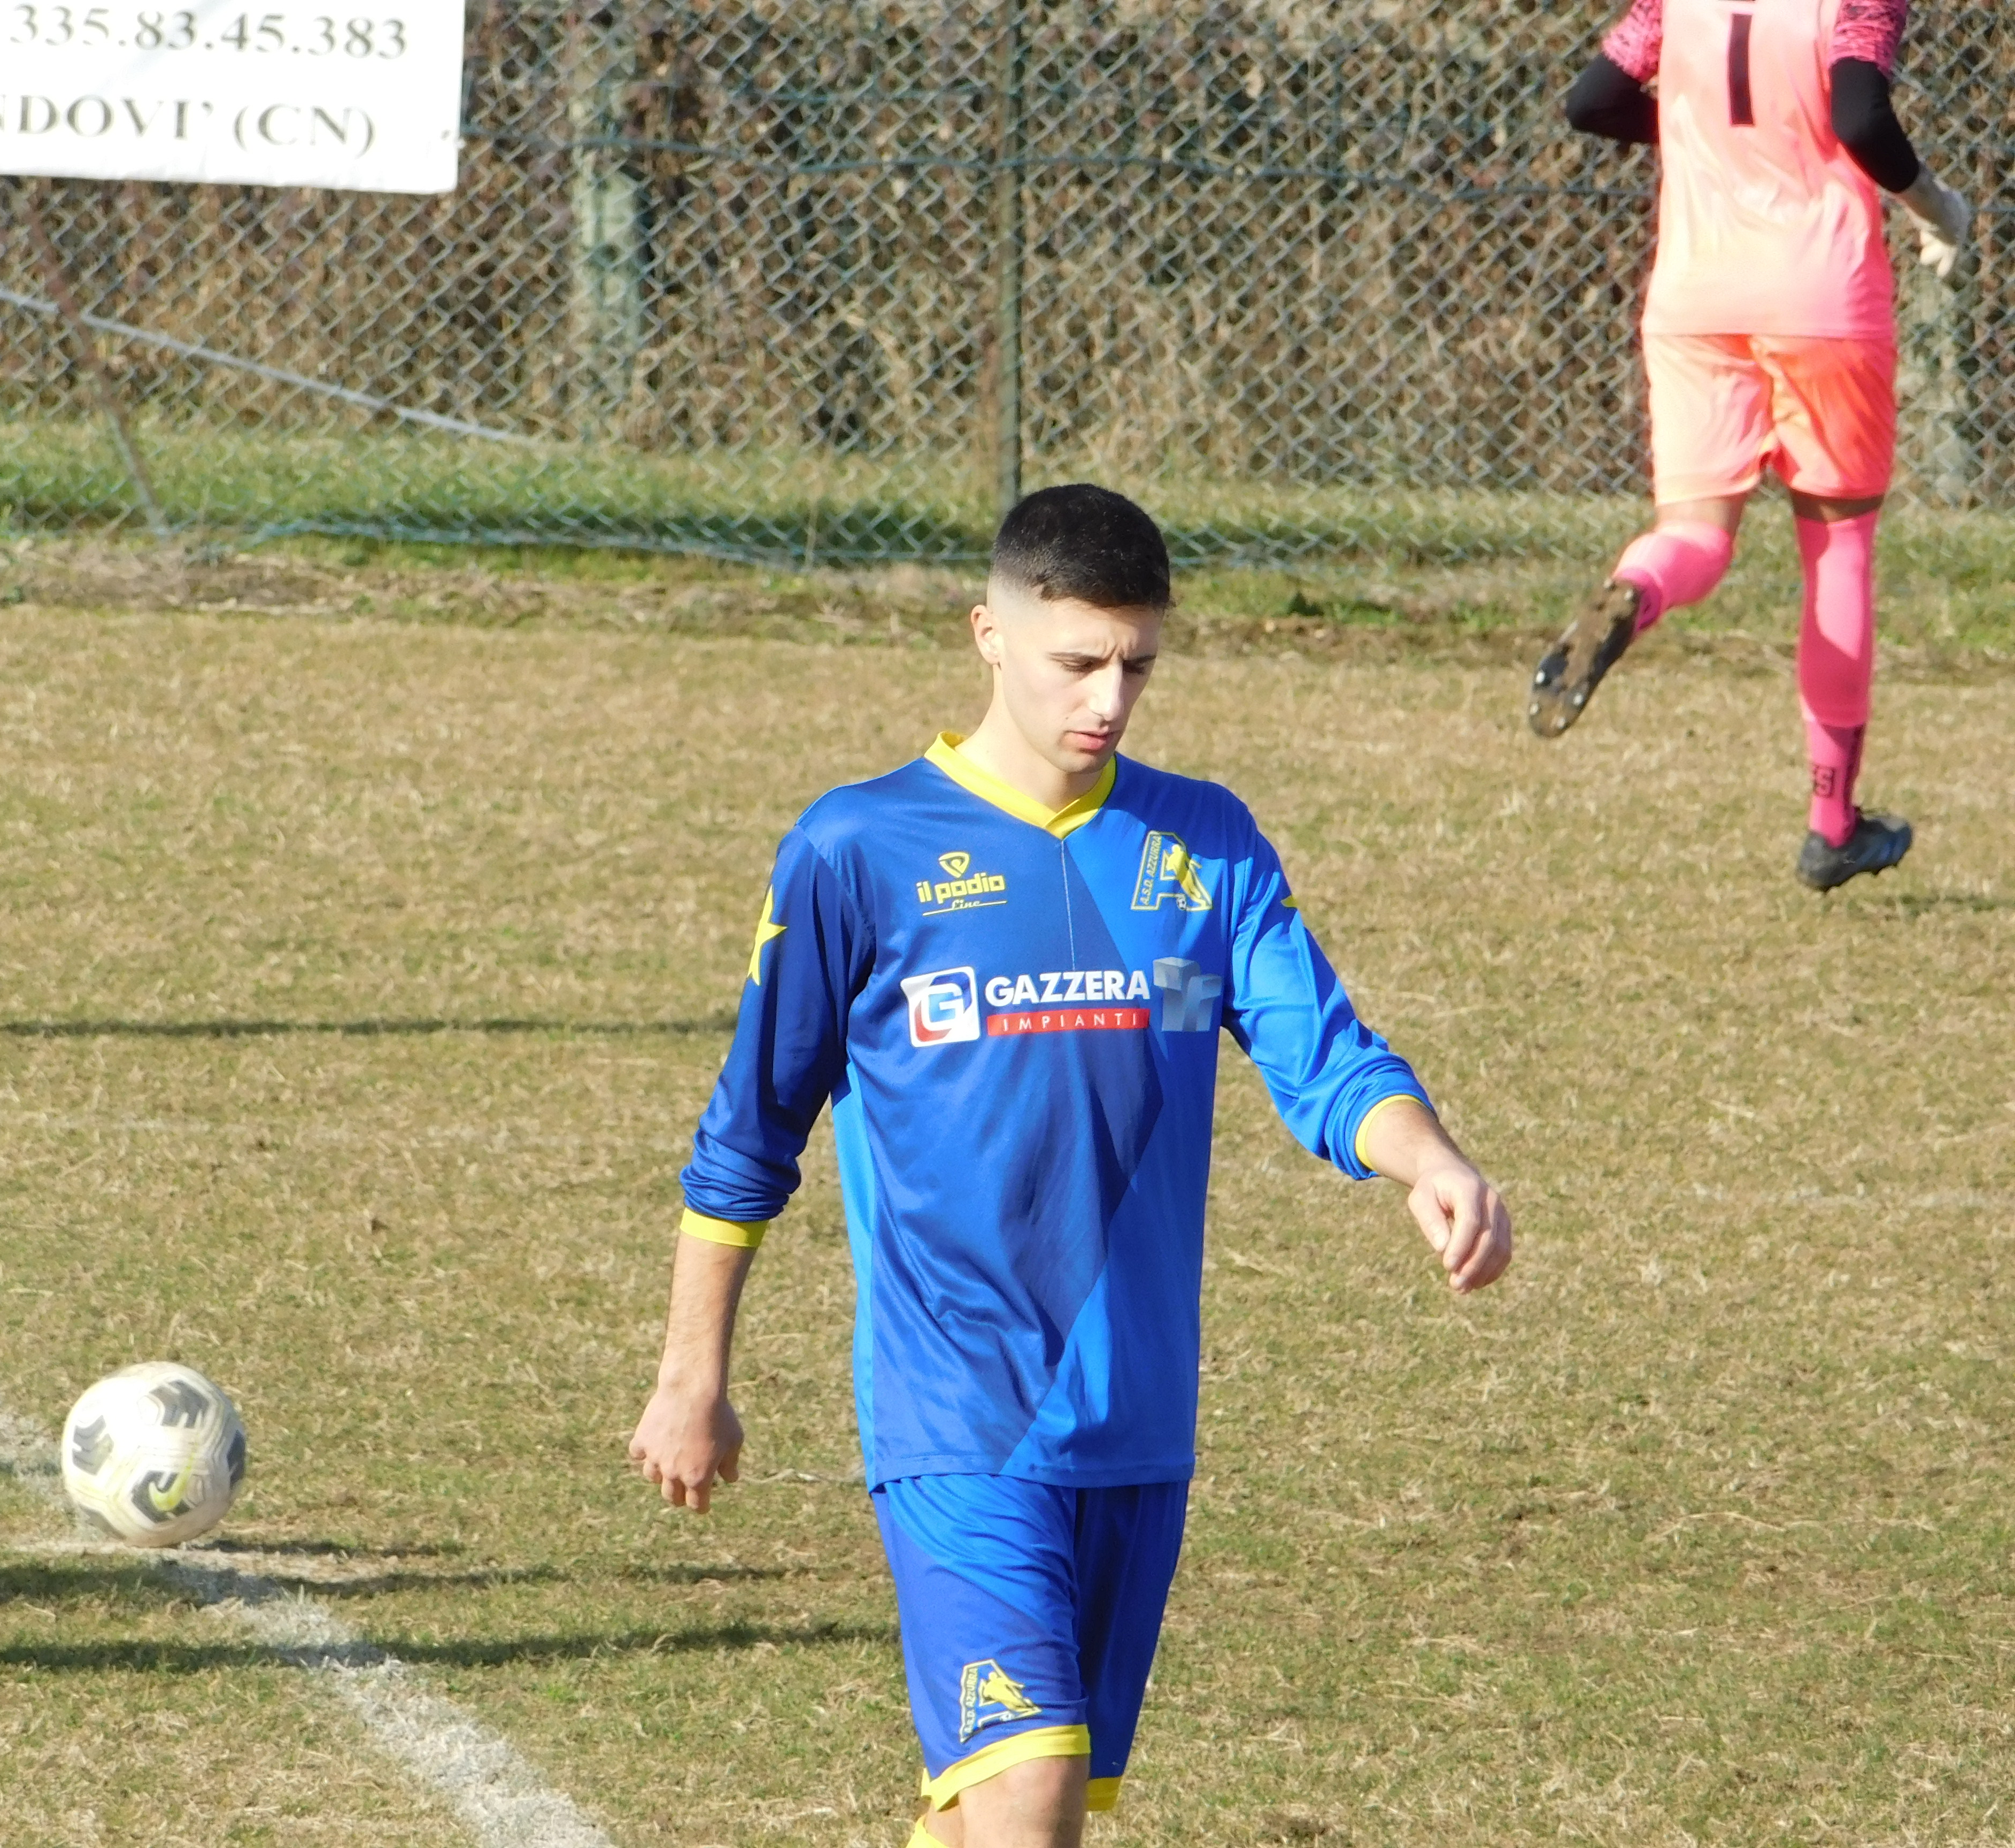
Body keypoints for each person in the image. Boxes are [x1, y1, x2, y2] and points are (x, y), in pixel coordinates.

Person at [628, 484, 1514, 1848]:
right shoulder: (858, 850)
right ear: (989, 634)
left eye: (1138, 666)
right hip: (959, 1419)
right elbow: (751, 1133)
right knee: (1031, 1787)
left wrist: (1426, 1157)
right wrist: (694, 1377)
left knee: (1008, 1808)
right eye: (1080, 662)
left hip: (1139, 1421)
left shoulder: (1203, 843)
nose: (1110, 700)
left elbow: (1324, 1058)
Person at [1528, 0, 1973, 891]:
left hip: (1696, 295)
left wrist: (1705, 135)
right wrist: (1938, 206)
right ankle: (1832, 826)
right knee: (1838, 553)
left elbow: (1591, 101)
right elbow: (1861, 118)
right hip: (1821, 294)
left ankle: (1633, 592)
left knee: (1693, 534)